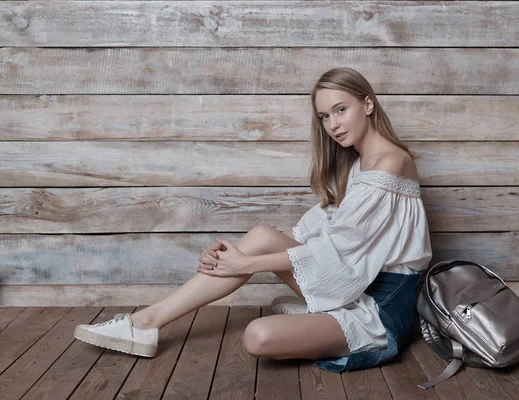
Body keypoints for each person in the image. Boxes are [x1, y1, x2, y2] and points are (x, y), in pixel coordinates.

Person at [73, 67, 432, 372]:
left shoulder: (390, 163)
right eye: (324, 116)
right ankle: (144, 323)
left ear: (367, 104)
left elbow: (340, 247)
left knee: (257, 336)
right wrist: (231, 257)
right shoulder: (358, 165)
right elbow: (317, 230)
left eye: (341, 110)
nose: (333, 125)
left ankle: (317, 317)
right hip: (355, 283)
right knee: (260, 234)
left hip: (380, 307)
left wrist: (247, 263)